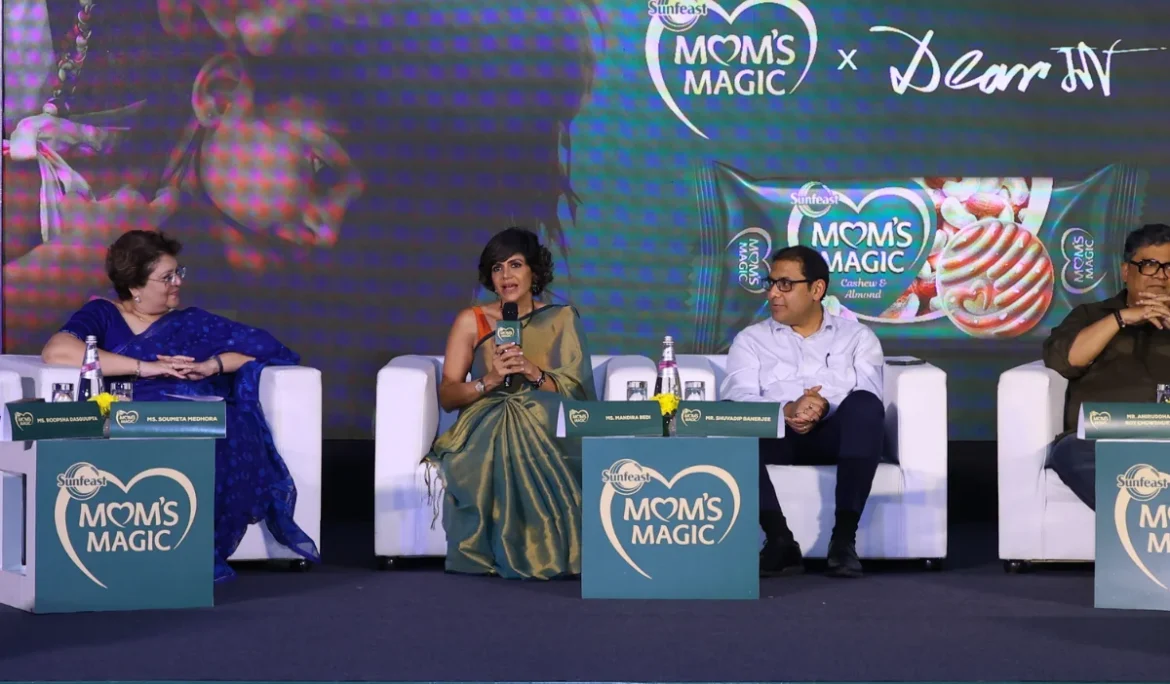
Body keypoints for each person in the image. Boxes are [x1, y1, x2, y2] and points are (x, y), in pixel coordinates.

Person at [40, 229, 320, 581]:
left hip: (193, 409)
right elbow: (58, 351)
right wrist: (145, 367)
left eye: (178, 273)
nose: (178, 283)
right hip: (133, 410)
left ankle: (195, 549)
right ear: (135, 286)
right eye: (167, 277)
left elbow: (265, 350)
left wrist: (211, 366)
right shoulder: (103, 314)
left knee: (230, 426)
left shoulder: (193, 322)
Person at [425, 227, 596, 580]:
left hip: (546, 415)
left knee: (534, 413)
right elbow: (448, 396)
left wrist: (532, 372)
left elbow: (576, 394)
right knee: (511, 419)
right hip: (485, 417)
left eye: (515, 265)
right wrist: (488, 380)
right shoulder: (471, 320)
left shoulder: (562, 318)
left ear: (534, 270)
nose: (506, 276)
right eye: (497, 268)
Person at [720, 246, 886, 578]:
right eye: (771, 283)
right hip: (776, 435)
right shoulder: (751, 340)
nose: (773, 294)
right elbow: (738, 394)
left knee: (865, 406)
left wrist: (822, 406)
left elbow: (869, 391)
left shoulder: (857, 337)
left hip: (833, 436)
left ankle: (843, 541)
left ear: (816, 289)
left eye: (785, 284)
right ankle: (779, 541)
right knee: (729, 416)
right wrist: (787, 409)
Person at [1042, 223, 1170, 510]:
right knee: (1071, 451)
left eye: (1169, 267)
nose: (1161, 277)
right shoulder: (1091, 315)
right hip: (1103, 437)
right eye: (1149, 265)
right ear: (1126, 271)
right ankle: (1148, 521)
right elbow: (1065, 360)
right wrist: (1122, 318)